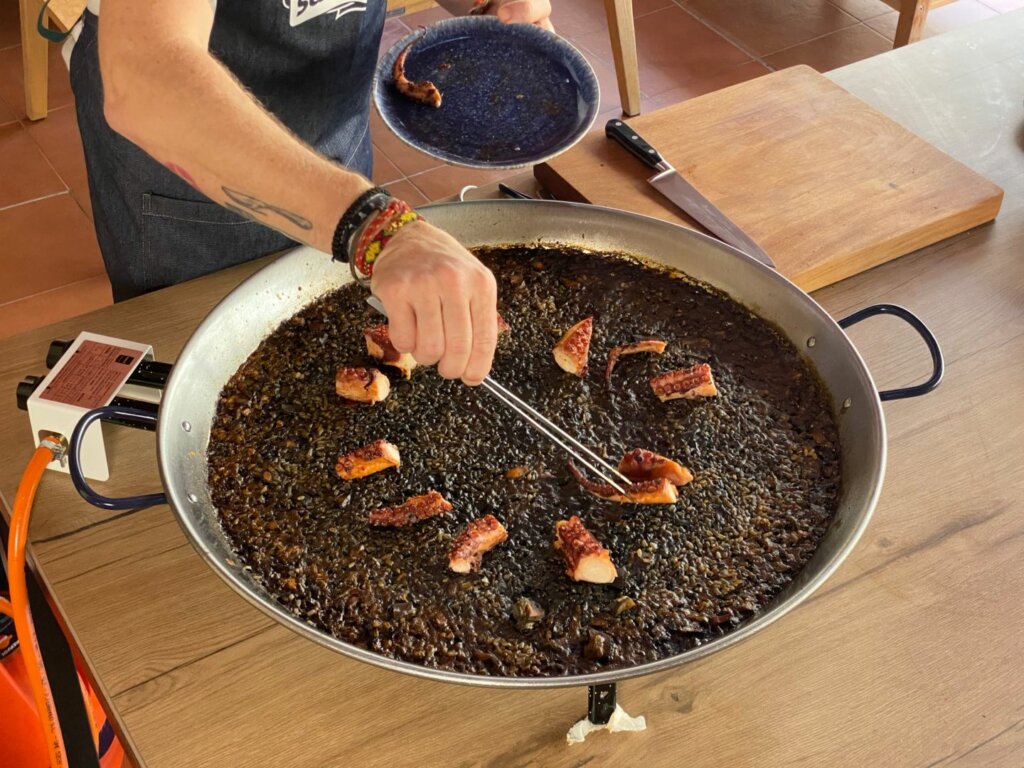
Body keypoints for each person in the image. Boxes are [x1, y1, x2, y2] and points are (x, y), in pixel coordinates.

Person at [66, 0, 554, 385]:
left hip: (338, 160)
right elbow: (144, 78)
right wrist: (377, 227)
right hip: (191, 183)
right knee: (195, 388)